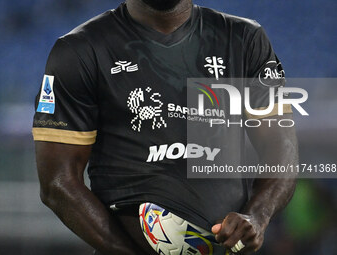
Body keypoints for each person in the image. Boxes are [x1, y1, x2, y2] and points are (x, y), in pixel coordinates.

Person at [33, 0, 298, 254]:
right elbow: (58, 183)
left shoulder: (244, 39)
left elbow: (280, 149)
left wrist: (256, 216)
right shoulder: (80, 50)